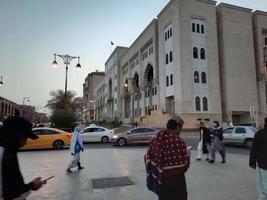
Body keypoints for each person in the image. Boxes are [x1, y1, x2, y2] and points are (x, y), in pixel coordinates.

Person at [145, 115, 190, 200]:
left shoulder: (156, 139)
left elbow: (148, 157)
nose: (180, 131)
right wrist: (188, 155)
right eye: (181, 128)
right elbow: (184, 166)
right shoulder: (178, 141)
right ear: (177, 127)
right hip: (177, 183)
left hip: (162, 183)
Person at [0, 116, 46, 199]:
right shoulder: (6, 155)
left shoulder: (7, 151)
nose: (25, 142)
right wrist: (32, 185)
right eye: (25, 138)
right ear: (16, 136)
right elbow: (9, 194)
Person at [249, 117, 267, 200]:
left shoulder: (259, 133)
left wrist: (252, 162)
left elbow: (254, 149)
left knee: (263, 185)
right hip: (263, 163)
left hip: (263, 164)